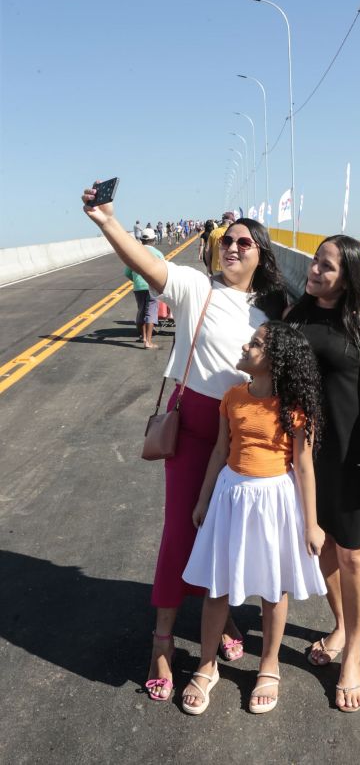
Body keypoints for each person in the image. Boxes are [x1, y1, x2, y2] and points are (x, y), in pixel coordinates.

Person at [81, 184, 287, 702]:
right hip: (195, 427)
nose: (232, 246)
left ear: (261, 255)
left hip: (246, 436)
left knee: (228, 536)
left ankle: (223, 621)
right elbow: (147, 263)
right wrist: (108, 222)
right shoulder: (198, 288)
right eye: (226, 240)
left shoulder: (274, 312)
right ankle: (162, 641)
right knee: (181, 532)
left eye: (244, 242)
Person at [180, 321, 326, 715]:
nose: (246, 346)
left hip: (275, 501)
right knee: (217, 586)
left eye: (256, 344)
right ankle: (206, 665)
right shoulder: (232, 397)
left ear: (275, 360)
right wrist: (203, 499)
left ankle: (269, 665)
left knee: (274, 589)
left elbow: (304, 467)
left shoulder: (294, 409)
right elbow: (219, 451)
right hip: (231, 496)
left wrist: (311, 523)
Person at [284, 235, 360, 713]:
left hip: (353, 453)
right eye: (314, 261)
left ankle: (353, 654)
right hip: (306, 454)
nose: (314, 270)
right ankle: (339, 625)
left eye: (326, 266)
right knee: (324, 547)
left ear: (349, 276)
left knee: (353, 554)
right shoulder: (297, 313)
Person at [124, 229, 165, 349]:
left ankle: (143, 336)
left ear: (141, 240)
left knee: (141, 311)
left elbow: (127, 272)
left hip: (138, 287)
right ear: (154, 239)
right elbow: (163, 271)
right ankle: (148, 342)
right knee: (151, 312)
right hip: (152, 286)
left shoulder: (134, 253)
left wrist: (137, 281)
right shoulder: (158, 253)